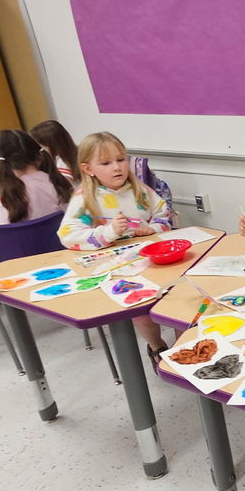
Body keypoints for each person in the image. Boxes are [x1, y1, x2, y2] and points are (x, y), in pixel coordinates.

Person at [59, 131, 172, 364]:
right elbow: (68, 236)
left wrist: (153, 229)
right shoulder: (85, 198)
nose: (117, 167)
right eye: (106, 163)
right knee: (141, 310)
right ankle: (157, 347)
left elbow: (164, 215)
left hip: (153, 261)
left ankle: (183, 347)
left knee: (177, 299)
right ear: (88, 168)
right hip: (117, 269)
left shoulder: (139, 191)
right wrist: (108, 232)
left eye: (121, 160)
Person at [0, 129, 72, 224]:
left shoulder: (10, 195)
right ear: (38, 154)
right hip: (60, 237)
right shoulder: (59, 183)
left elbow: (5, 230)